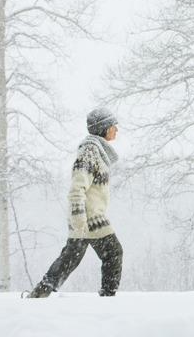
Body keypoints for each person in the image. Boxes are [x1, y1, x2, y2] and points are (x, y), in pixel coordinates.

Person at [25, 107, 123, 298]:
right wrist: (79, 218)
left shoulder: (96, 150)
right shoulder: (89, 151)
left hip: (91, 216)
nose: (116, 130)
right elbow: (77, 187)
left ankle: (41, 291)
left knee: (72, 256)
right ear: (103, 128)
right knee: (113, 253)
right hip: (88, 217)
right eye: (113, 126)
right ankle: (108, 297)